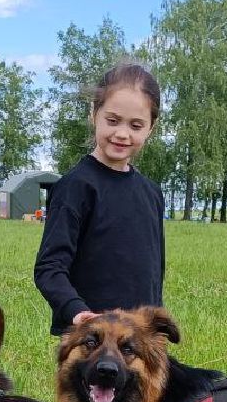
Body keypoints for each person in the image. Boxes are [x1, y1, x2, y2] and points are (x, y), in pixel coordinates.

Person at [34, 62, 165, 335]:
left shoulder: (151, 193)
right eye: (113, 120)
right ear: (94, 114)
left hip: (139, 343)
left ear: (150, 128)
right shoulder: (75, 187)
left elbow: (154, 275)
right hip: (91, 343)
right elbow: (50, 267)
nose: (122, 133)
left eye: (136, 125)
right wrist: (77, 312)